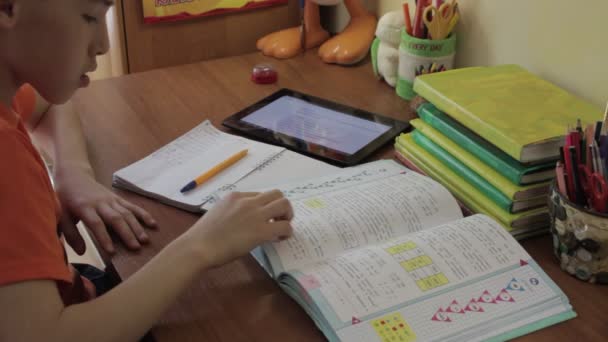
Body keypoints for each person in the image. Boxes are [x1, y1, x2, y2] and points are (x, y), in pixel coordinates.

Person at [0, 1, 294, 341]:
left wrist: (74, 172)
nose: (103, 45)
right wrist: (201, 246)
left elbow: (51, 105)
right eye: (89, 17)